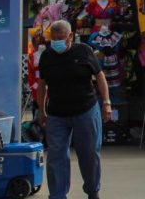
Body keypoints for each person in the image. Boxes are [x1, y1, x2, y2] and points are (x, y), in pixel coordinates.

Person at [37, 20, 112, 199]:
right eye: (53, 38)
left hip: (85, 110)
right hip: (56, 113)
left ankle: (93, 191)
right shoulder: (47, 56)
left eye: (61, 38)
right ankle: (57, 195)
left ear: (70, 36)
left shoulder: (84, 51)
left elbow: (100, 77)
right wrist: (41, 110)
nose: (57, 41)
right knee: (56, 156)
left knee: (89, 154)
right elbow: (42, 86)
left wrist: (107, 102)